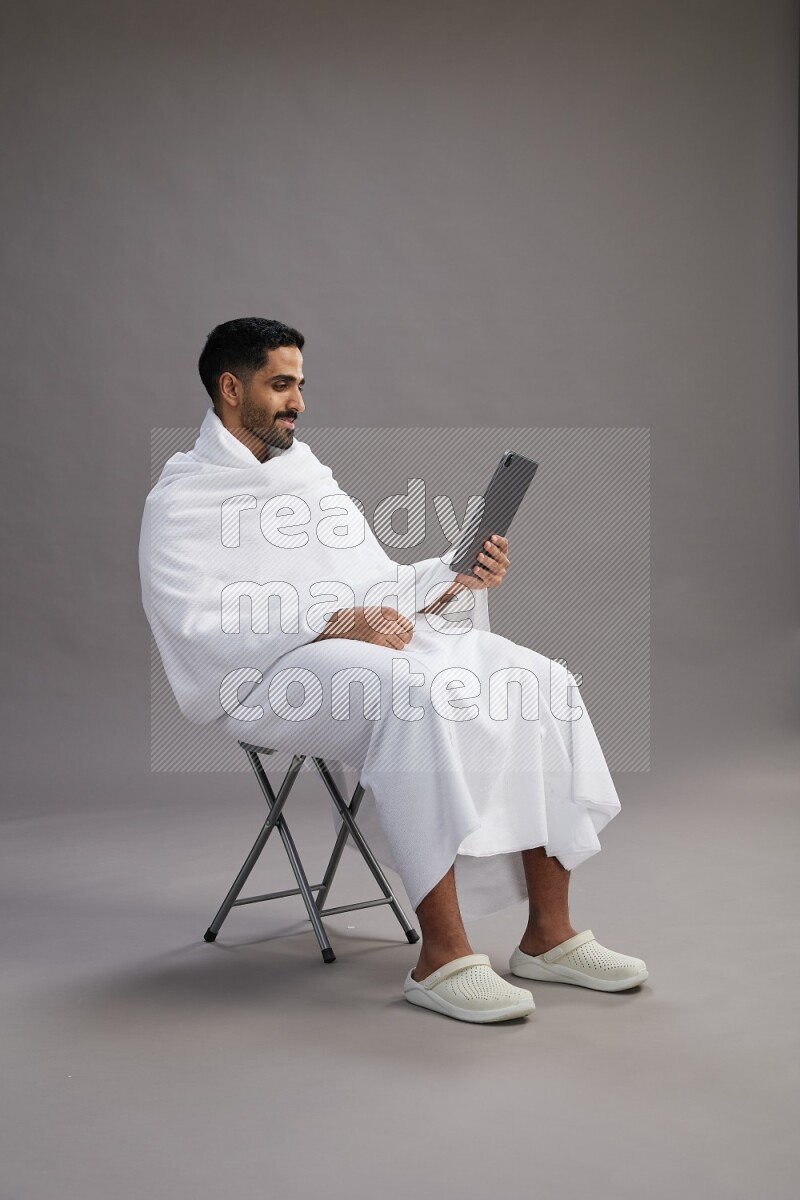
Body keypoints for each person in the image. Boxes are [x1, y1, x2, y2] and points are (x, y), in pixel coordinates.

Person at [138, 317, 648, 1025]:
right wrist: (334, 621)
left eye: (300, 385)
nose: (298, 403)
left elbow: (374, 583)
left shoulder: (307, 477)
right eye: (281, 385)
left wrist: (454, 575)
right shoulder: (182, 499)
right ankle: (441, 957)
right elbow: (200, 626)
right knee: (412, 694)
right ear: (231, 388)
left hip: (345, 651)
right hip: (258, 678)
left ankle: (548, 937)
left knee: (540, 680)